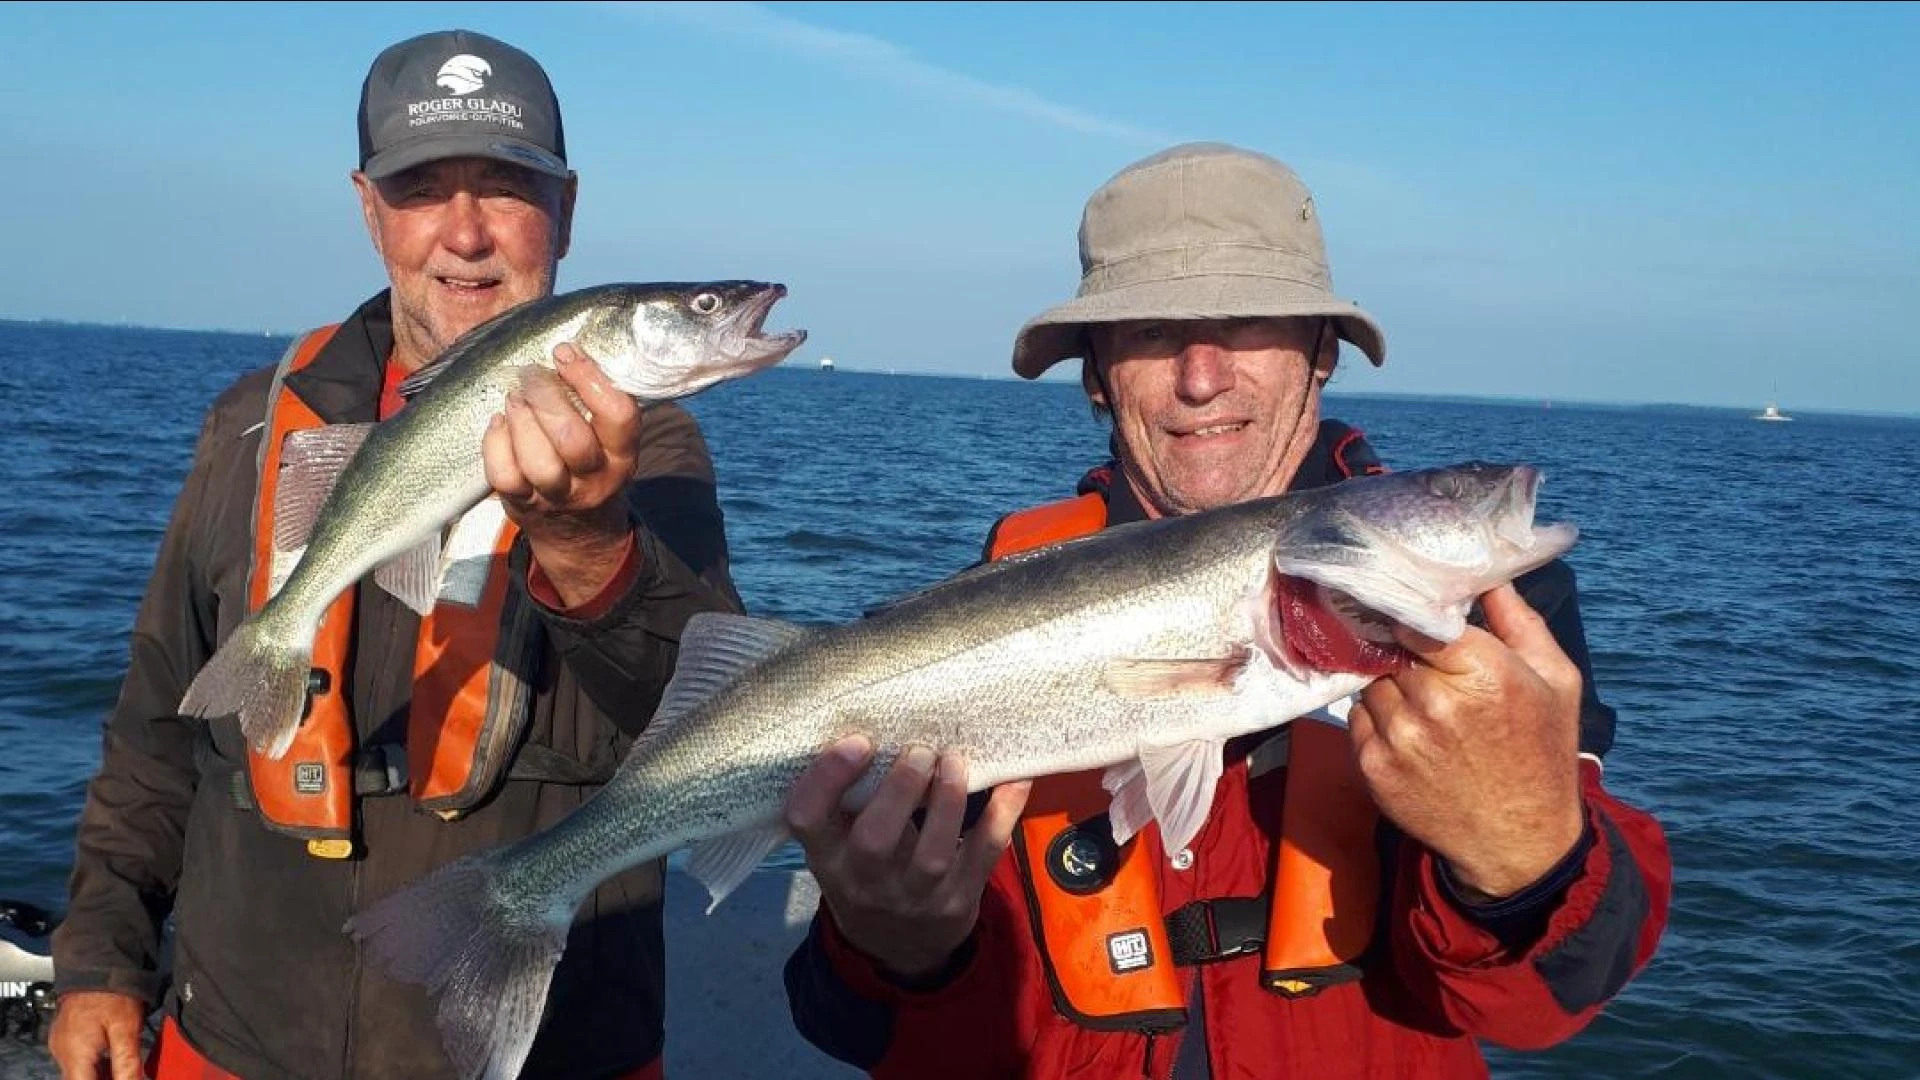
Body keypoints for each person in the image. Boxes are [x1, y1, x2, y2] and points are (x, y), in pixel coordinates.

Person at [780, 142, 1673, 1077]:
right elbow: (849, 1029)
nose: (1202, 376)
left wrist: (1528, 859)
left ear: (1322, 354)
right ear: (1095, 374)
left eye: (1249, 322)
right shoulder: (980, 628)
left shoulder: (1488, 614)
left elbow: (1553, 1001)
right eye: (1149, 332)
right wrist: (899, 950)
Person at [48, 29, 743, 1080]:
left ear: (567, 208)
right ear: (370, 210)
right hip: (239, 1035)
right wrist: (102, 953)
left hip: (539, 1048)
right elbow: (155, 725)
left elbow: (704, 732)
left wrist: (589, 542)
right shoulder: (253, 424)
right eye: (423, 189)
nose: (465, 234)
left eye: (507, 185)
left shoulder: (652, 450)